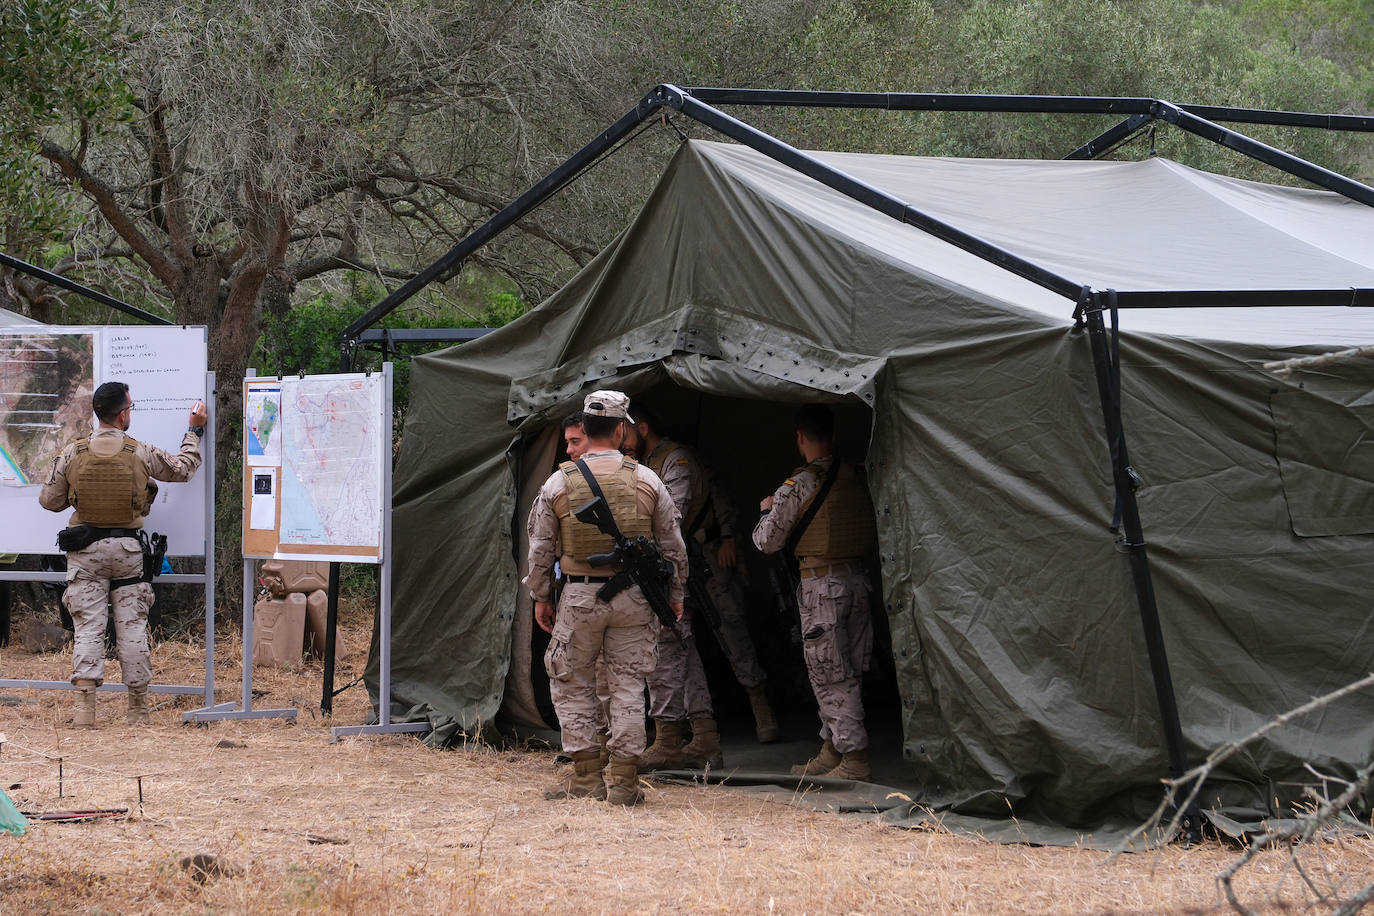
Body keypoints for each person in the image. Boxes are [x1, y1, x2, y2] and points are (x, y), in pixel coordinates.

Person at [524, 390, 687, 805]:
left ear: (585, 428)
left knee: (571, 681)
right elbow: (674, 547)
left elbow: (540, 548)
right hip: (635, 598)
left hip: (579, 596)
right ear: (620, 429)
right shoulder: (649, 480)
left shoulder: (558, 482)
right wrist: (676, 594)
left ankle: (586, 778)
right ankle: (626, 784)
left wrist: (541, 596)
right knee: (629, 686)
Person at [38, 382, 206, 727]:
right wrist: (194, 431)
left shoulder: (73, 453)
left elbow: (49, 501)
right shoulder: (139, 451)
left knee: (87, 628)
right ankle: (138, 712)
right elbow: (184, 469)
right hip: (129, 551)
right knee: (132, 628)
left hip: (85, 553)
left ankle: (85, 715)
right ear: (123, 413)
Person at [633, 404, 778, 773]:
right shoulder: (647, 461)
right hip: (679, 563)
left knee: (730, 630)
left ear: (643, 427)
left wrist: (728, 535)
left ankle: (760, 707)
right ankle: (699, 731)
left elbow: (679, 512)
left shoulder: (676, 459)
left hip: (705, 558)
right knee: (681, 642)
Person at [753, 404, 877, 781]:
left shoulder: (800, 484)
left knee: (830, 672)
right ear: (833, 434)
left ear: (800, 438)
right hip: (857, 580)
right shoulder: (857, 475)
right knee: (848, 668)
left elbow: (767, 541)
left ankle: (854, 757)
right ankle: (832, 747)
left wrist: (765, 511)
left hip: (822, 586)